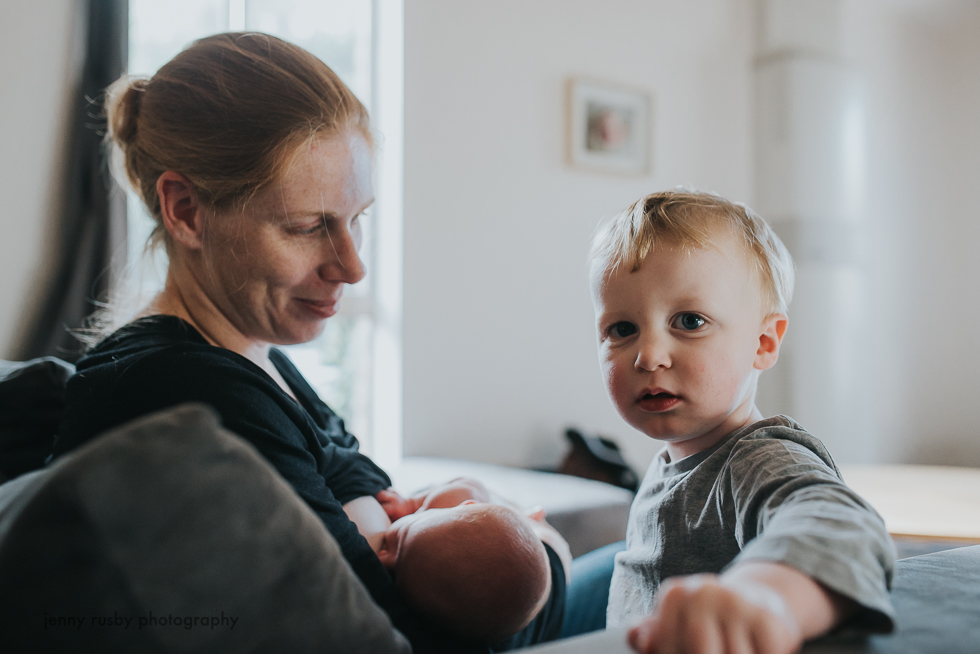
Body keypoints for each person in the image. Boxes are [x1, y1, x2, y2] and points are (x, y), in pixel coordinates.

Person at [49, 32, 568, 653]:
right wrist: (550, 557)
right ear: (186, 209)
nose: (352, 267)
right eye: (306, 226)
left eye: (358, 219)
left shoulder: (253, 358)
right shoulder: (194, 399)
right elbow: (401, 642)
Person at [588, 190, 896, 654]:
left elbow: (840, 525)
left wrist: (766, 594)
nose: (649, 356)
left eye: (689, 321)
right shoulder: (671, 461)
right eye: (622, 329)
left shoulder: (758, 457)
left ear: (763, 344)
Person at [357, 478, 558, 644]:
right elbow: (470, 485)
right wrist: (412, 504)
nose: (383, 560)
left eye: (397, 572)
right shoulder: (452, 500)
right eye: (401, 535)